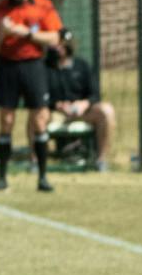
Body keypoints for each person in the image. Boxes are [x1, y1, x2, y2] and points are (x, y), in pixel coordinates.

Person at [0, 0, 62, 194]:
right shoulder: (1, 9)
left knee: (39, 120)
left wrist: (26, 33)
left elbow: (55, 37)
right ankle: (2, 177)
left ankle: (42, 175)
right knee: (6, 121)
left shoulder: (44, 6)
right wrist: (3, 33)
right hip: (8, 66)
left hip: (33, 65)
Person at [46, 30, 115, 171]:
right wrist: (57, 105)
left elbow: (95, 94)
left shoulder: (82, 66)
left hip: (81, 113)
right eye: (56, 45)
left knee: (106, 111)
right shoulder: (46, 68)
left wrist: (84, 104)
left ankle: (100, 160)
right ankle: (39, 160)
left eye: (63, 45)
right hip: (56, 114)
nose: (60, 48)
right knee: (38, 114)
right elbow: (41, 97)